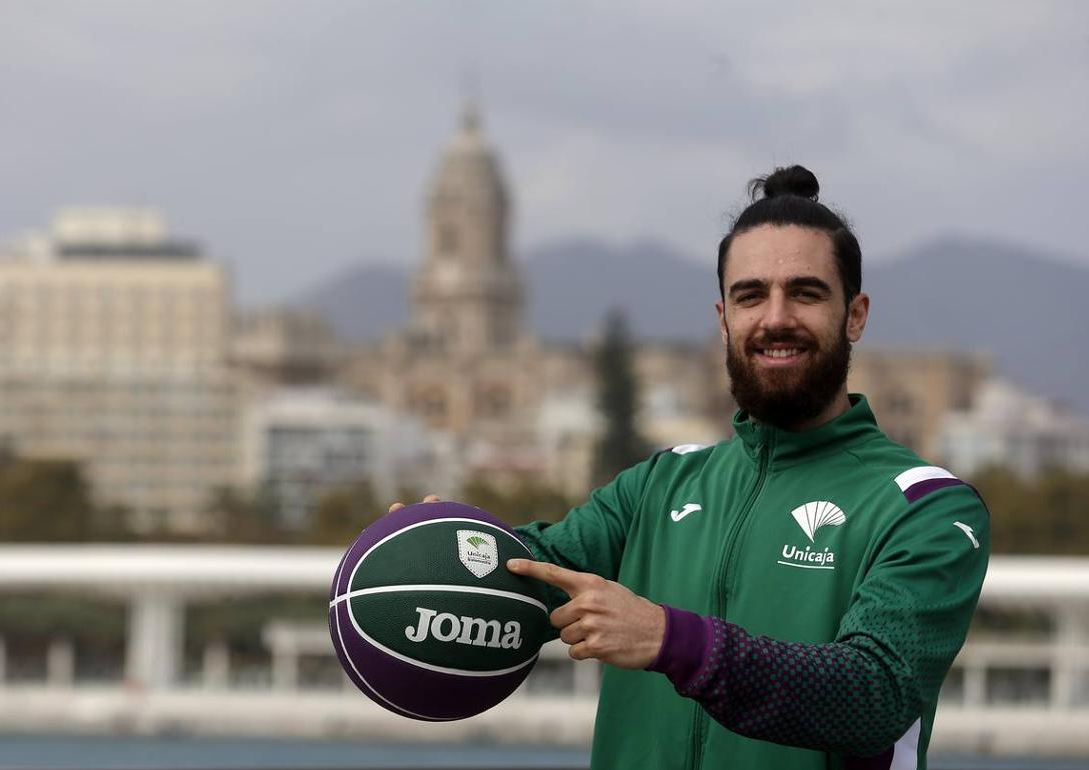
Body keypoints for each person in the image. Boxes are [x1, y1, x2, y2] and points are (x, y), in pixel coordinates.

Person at [393, 165, 989, 770]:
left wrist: (670, 640)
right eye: (750, 295)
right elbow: (527, 576)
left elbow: (874, 693)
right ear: (723, 317)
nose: (775, 317)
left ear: (855, 315)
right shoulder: (658, 486)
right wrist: (440, 551)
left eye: (805, 293)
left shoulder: (927, 506)